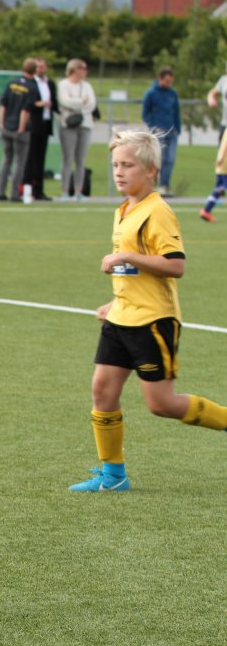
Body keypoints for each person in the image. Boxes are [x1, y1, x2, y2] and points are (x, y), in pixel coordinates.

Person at [69, 128, 227, 492]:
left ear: (152, 170)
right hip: (122, 316)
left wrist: (125, 255)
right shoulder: (125, 209)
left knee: (162, 404)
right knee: (102, 391)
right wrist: (116, 302)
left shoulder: (158, 211)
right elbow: (135, 271)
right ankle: (113, 476)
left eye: (128, 165)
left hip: (153, 321)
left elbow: (175, 265)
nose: (119, 172)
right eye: (115, 165)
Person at [0, 58, 36, 202]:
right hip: (20, 129)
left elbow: (3, 105)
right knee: (20, 162)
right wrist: (21, 127)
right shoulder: (32, 86)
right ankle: (14, 193)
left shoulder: (12, 83)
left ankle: (1, 192)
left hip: (7, 126)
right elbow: (25, 110)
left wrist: (2, 124)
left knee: (6, 159)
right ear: (34, 70)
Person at [57, 58, 97, 201]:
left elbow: (91, 104)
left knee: (81, 159)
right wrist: (80, 102)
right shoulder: (63, 84)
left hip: (85, 123)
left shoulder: (86, 86)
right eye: (83, 68)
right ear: (74, 69)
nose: (85, 71)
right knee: (67, 158)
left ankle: (78, 191)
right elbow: (64, 101)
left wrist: (76, 105)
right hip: (68, 124)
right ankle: (65, 191)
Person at [22, 57, 58, 201]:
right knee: (30, 158)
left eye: (42, 67)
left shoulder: (50, 83)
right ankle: (26, 189)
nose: (40, 69)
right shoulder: (30, 83)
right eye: (37, 67)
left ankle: (39, 191)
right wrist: (39, 104)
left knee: (40, 159)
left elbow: (55, 102)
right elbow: (27, 103)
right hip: (33, 124)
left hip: (45, 124)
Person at [142, 67, 181, 197]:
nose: (169, 84)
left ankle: (165, 185)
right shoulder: (151, 94)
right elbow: (145, 113)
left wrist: (177, 128)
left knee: (170, 159)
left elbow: (176, 111)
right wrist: (153, 127)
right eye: (167, 81)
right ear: (160, 79)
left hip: (172, 131)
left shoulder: (172, 94)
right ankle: (154, 185)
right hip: (159, 131)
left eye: (171, 81)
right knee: (160, 159)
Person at [198, 125, 227, 222]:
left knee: (219, 188)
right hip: (225, 164)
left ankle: (206, 211)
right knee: (221, 187)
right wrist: (221, 159)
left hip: (221, 164)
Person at [205, 61, 227, 142]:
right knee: (221, 150)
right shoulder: (224, 80)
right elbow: (212, 93)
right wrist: (211, 99)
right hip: (225, 124)